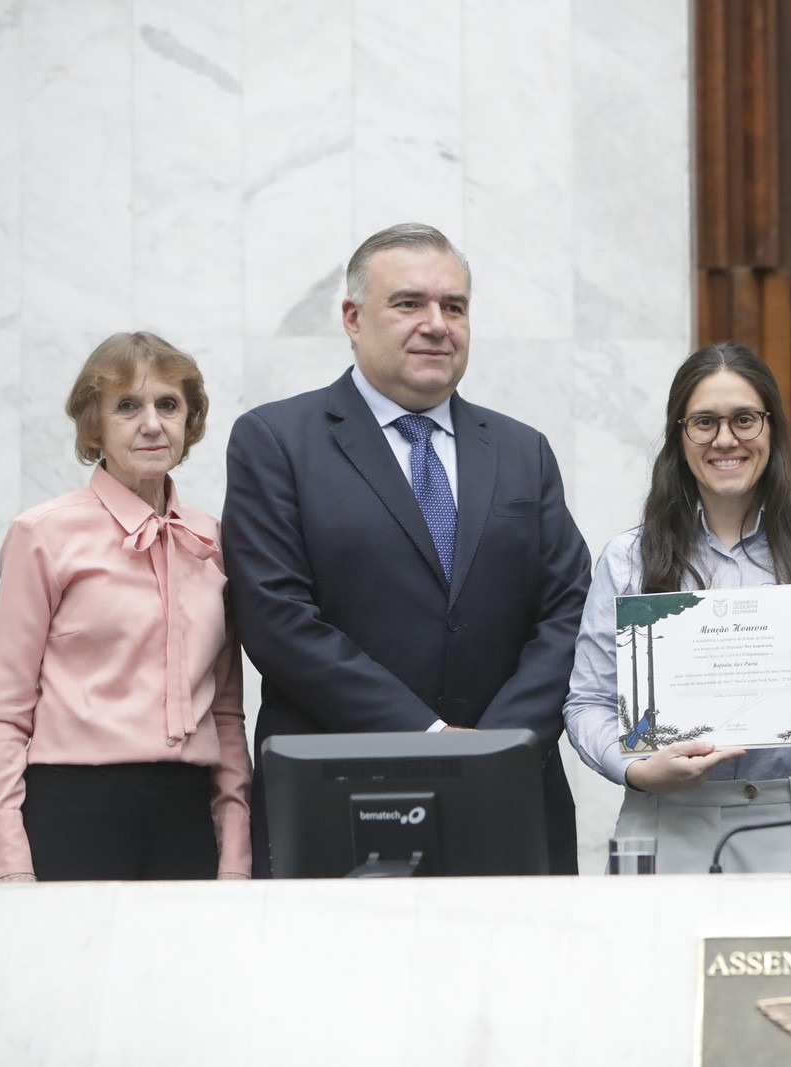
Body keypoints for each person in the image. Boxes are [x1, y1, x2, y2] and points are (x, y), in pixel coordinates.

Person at [223, 223, 591, 876]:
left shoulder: (521, 450)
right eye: (408, 303)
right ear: (353, 317)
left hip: (512, 800)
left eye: (454, 306)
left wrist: (497, 747)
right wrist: (428, 739)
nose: (436, 323)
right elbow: (275, 615)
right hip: (336, 798)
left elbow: (569, 610)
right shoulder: (275, 441)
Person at [564, 342, 791, 873]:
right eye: (704, 422)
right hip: (663, 818)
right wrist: (637, 771)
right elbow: (587, 705)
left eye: (744, 419)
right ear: (680, 435)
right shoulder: (628, 559)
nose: (726, 440)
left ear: (771, 430)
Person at [0, 332, 250, 882]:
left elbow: (226, 714)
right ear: (94, 425)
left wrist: (235, 861)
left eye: (168, 404)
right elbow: (4, 714)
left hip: (186, 814)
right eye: (127, 406)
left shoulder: (214, 541)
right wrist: (11, 868)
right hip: (73, 808)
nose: (152, 423)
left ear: (189, 421)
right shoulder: (43, 535)